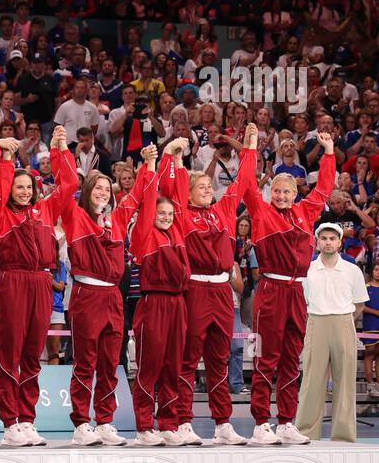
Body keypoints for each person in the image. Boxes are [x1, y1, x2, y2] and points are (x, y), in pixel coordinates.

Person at [239, 131, 336, 445]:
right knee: (265, 356)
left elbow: (324, 187)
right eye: (277, 191)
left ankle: (285, 422)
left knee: (292, 358)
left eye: (286, 192)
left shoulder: (305, 213)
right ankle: (260, 423)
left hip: (297, 293)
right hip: (269, 291)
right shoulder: (261, 212)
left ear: (295, 194)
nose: (280, 196)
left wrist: (330, 151)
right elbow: (247, 184)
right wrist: (251, 149)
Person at [57, 144, 154, 445]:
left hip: (113, 296)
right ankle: (81, 423)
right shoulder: (75, 217)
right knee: (85, 362)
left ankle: (105, 421)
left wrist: (148, 165)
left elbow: (137, 195)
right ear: (87, 192)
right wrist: (63, 150)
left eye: (106, 189)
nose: (102, 193)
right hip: (86, 294)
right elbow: (66, 186)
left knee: (111, 363)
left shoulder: (119, 219)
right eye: (97, 188)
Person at [0, 126, 77, 446]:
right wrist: (6, 156)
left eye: (28, 187)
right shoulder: (0, 213)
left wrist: (60, 148)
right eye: (18, 187)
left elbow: (71, 184)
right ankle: (9, 421)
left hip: (42, 284)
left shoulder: (47, 209)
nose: (23, 191)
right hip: (13, 281)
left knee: (32, 355)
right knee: (9, 354)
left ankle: (27, 419)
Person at [177, 123, 258, 445]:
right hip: (195, 289)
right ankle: (183, 421)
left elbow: (244, 181)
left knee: (220, 357)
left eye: (209, 186)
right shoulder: (181, 213)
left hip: (223, 291)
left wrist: (249, 146)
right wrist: (176, 156)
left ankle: (223, 422)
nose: (208, 189)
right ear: (188, 192)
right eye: (201, 187)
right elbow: (171, 186)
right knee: (188, 358)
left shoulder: (224, 210)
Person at [127, 145, 197, 445]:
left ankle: (168, 424)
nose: (167, 217)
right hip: (153, 302)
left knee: (173, 366)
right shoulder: (143, 234)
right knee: (149, 367)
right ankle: (144, 426)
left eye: (170, 213)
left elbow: (180, 197)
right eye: (161, 212)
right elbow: (147, 200)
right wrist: (156, 163)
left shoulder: (177, 232)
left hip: (179, 304)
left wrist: (178, 163)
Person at [293, 223, 368, 443]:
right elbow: (301, 301)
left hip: (343, 322)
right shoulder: (307, 269)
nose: (327, 242)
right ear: (317, 242)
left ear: (339, 242)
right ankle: (306, 433)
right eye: (323, 238)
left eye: (332, 238)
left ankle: (343, 436)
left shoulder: (352, 270)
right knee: (311, 381)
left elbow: (359, 304)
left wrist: (343, 320)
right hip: (315, 322)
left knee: (344, 381)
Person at [361, 261, 379, 398]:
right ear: (372, 272)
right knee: (370, 353)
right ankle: (370, 385)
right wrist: (376, 312)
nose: (378, 272)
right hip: (370, 324)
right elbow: (361, 306)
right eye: (376, 270)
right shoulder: (365, 288)